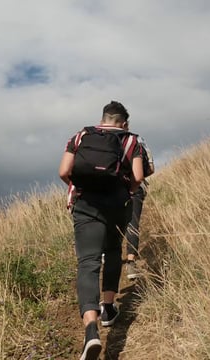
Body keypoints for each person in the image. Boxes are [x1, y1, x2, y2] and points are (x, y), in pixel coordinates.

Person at [59, 101, 145, 360]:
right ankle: (108, 307)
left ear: (103, 118)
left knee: (88, 262)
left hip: (85, 205)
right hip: (116, 206)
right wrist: (125, 193)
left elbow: (64, 171)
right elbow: (139, 178)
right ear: (124, 123)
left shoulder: (80, 135)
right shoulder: (131, 141)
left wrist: (79, 189)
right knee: (111, 251)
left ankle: (91, 330)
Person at [122, 124, 154, 280]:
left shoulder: (103, 139)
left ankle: (104, 256)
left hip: (111, 188)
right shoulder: (137, 139)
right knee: (132, 222)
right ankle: (131, 263)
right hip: (135, 187)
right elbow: (151, 168)